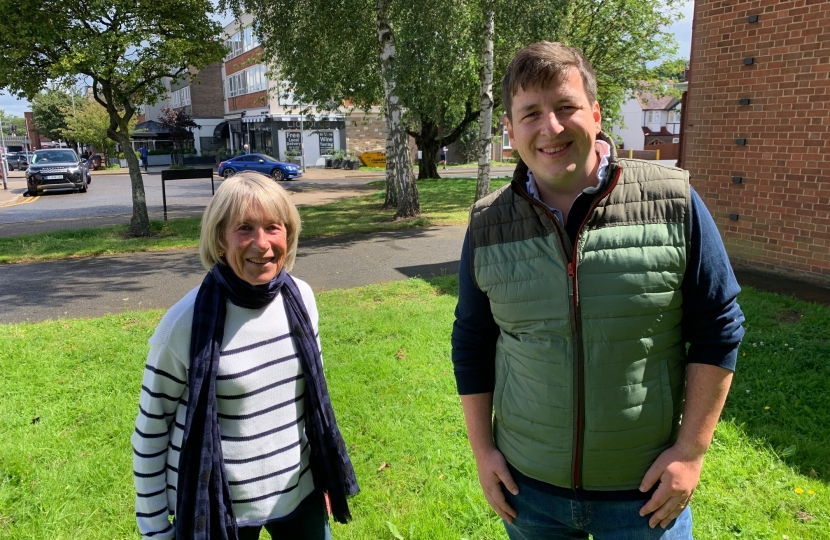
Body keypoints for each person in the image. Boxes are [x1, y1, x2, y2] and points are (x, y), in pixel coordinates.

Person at [451, 41, 744, 540]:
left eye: (566, 107)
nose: (551, 127)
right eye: (531, 114)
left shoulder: (673, 200)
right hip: (530, 494)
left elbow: (719, 327)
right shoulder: (487, 224)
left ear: (595, 112)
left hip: (645, 495)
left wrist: (690, 452)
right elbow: (472, 342)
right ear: (510, 130)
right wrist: (483, 453)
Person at [132, 172, 358, 540]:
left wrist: (324, 473)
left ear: (289, 233)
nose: (262, 244)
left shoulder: (301, 299)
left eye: (273, 227)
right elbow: (150, 434)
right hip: (221, 509)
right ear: (220, 238)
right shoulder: (183, 324)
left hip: (300, 492)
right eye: (244, 229)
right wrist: (155, 530)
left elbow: (305, 401)